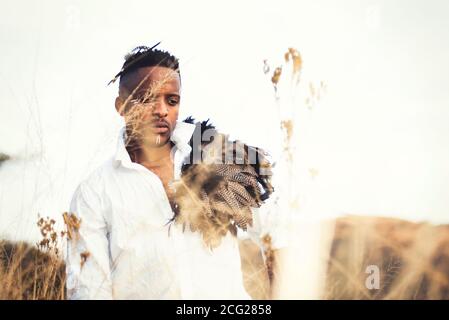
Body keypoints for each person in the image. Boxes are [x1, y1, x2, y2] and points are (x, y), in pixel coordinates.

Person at [65, 44, 287, 299]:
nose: (161, 110)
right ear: (121, 106)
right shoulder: (94, 192)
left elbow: (275, 236)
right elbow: (89, 290)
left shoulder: (215, 155)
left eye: (172, 100)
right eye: (147, 99)